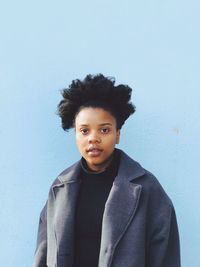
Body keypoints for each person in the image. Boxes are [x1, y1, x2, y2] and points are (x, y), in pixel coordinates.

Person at [32, 74, 181, 267]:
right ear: (75, 134)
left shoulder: (146, 188)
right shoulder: (60, 187)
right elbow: (43, 254)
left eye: (104, 130)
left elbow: (166, 257)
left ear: (117, 134)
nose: (93, 138)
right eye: (84, 130)